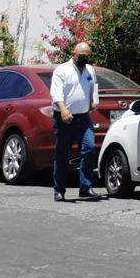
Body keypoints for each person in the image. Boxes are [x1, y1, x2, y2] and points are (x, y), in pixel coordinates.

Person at [49, 42, 100, 202]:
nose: (84, 59)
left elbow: (93, 87)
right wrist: (63, 110)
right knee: (63, 155)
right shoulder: (62, 70)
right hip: (65, 117)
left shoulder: (90, 70)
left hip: (83, 117)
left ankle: (85, 187)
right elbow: (56, 93)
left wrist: (93, 102)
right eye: (81, 56)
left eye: (87, 56)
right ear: (74, 53)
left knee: (90, 149)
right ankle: (59, 190)